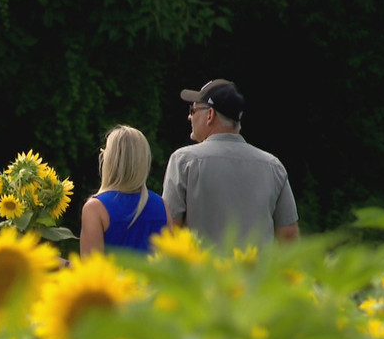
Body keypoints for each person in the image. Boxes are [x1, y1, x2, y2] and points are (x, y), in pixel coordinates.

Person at [161, 79, 299, 246]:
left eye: (193, 109)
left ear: (210, 115)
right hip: (255, 271)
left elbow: (170, 231)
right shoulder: (273, 166)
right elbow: (289, 238)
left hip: (201, 271)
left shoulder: (184, 162)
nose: (189, 116)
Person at [81, 125, 172, 257]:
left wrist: (62, 264)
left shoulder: (95, 209)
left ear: (109, 161)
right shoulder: (161, 206)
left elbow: (91, 271)